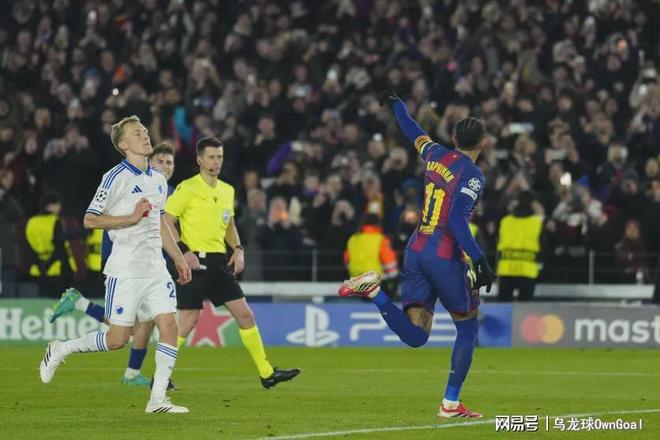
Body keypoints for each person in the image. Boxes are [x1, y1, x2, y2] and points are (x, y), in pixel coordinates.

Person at [338, 84, 496, 418]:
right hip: (443, 256)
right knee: (467, 326)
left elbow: (411, 129)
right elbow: (456, 220)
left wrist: (397, 104)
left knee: (416, 335)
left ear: (453, 138)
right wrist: (480, 259)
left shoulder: (434, 153)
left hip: (416, 248)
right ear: (482, 144)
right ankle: (450, 404)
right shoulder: (472, 175)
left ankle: (375, 292)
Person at [39, 116, 192, 414]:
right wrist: (130, 218)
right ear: (124, 145)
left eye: (145, 131)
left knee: (169, 325)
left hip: (156, 270)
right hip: (125, 271)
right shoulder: (115, 178)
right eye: (137, 133)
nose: (145, 135)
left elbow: (160, 222)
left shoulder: (158, 179)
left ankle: (157, 399)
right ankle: (60, 348)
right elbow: (90, 219)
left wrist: (178, 257)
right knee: (117, 339)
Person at [164, 136, 300, 388]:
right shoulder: (187, 188)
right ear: (200, 160)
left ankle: (267, 374)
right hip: (194, 262)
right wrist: (183, 252)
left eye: (219, 157)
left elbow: (229, 225)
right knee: (188, 321)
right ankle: (161, 376)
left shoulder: (227, 190)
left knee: (245, 316)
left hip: (219, 263)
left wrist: (238, 249)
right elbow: (166, 221)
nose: (216, 161)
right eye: (211, 157)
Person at [48, 143, 178, 387]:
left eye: (169, 162)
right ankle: (132, 372)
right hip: (124, 261)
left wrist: (178, 256)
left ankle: (140, 378)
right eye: (160, 161)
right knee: (129, 329)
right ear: (150, 161)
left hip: (153, 263)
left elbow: (164, 226)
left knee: (146, 323)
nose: (165, 166)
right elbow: (96, 219)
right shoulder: (123, 178)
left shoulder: (166, 188)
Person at [25, 191, 76, 297]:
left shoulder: (32, 222)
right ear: (51, 205)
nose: (59, 207)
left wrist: (41, 265)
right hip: (56, 269)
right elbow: (60, 247)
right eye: (57, 204)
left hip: (37, 268)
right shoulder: (55, 221)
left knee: (41, 301)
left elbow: (28, 247)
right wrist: (48, 265)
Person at [496, 191, 544, 301]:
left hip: (506, 270)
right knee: (525, 308)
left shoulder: (505, 221)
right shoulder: (537, 223)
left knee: (503, 305)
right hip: (527, 271)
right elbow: (543, 247)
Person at [344, 213, 399, 291]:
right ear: (378, 224)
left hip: (356, 281)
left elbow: (347, 260)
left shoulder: (353, 239)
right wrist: (394, 278)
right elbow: (389, 261)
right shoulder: (381, 239)